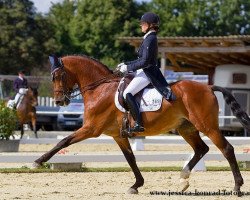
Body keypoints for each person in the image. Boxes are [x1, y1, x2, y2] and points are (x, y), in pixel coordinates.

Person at [116, 12, 175, 133]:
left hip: (148, 73)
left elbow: (144, 61)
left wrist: (127, 68)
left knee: (127, 93)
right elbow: (140, 60)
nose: (141, 26)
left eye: (143, 23)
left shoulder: (151, 38)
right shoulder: (148, 38)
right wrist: (126, 64)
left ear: (150, 25)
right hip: (144, 70)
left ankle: (138, 123)